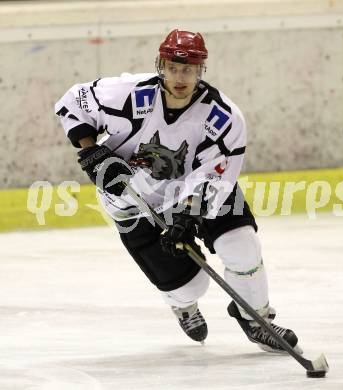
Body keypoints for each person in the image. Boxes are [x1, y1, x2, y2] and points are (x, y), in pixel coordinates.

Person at [55, 29, 302, 353]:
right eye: (173, 67)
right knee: (191, 286)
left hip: (196, 192)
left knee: (241, 245)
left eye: (189, 69)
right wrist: (92, 152)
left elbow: (217, 174)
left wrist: (187, 213)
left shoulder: (223, 117)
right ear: (161, 65)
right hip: (133, 203)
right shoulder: (127, 94)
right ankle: (182, 305)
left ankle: (257, 319)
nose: (180, 76)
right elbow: (72, 101)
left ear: (201, 71)